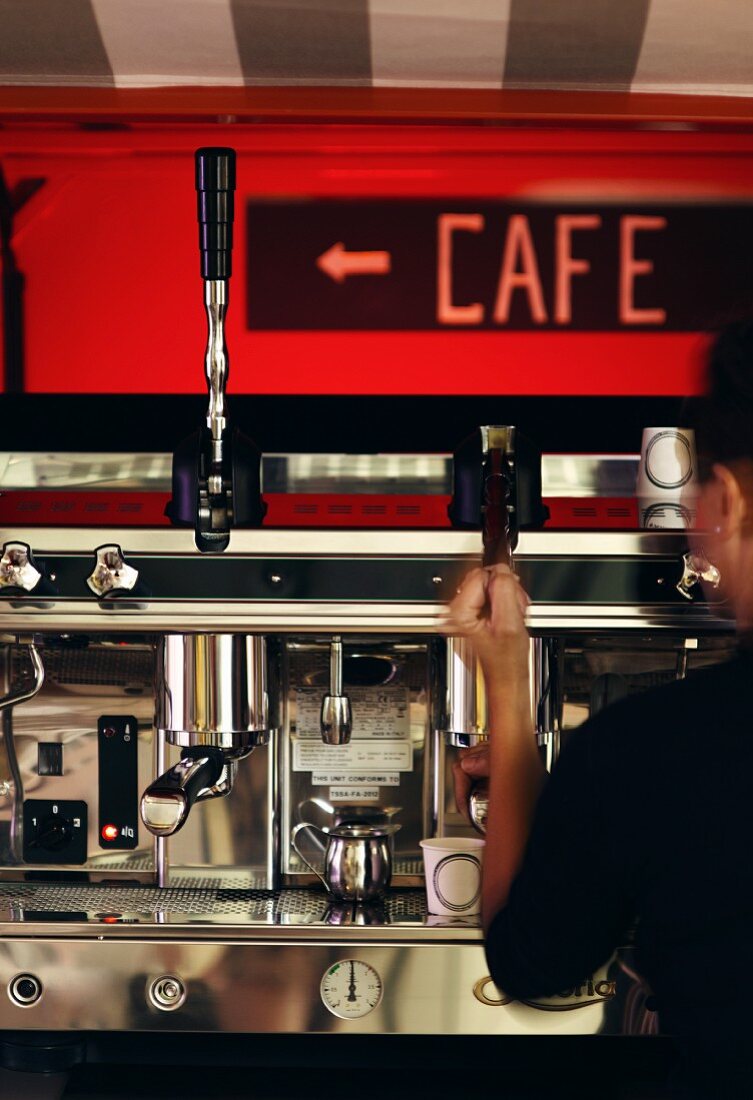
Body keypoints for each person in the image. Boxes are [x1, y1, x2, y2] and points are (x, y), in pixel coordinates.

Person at [444, 321, 753, 1100]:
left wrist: (508, 687)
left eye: (700, 500)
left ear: (734, 500)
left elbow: (529, 962)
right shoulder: (645, 759)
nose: (697, 524)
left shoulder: (650, 751)